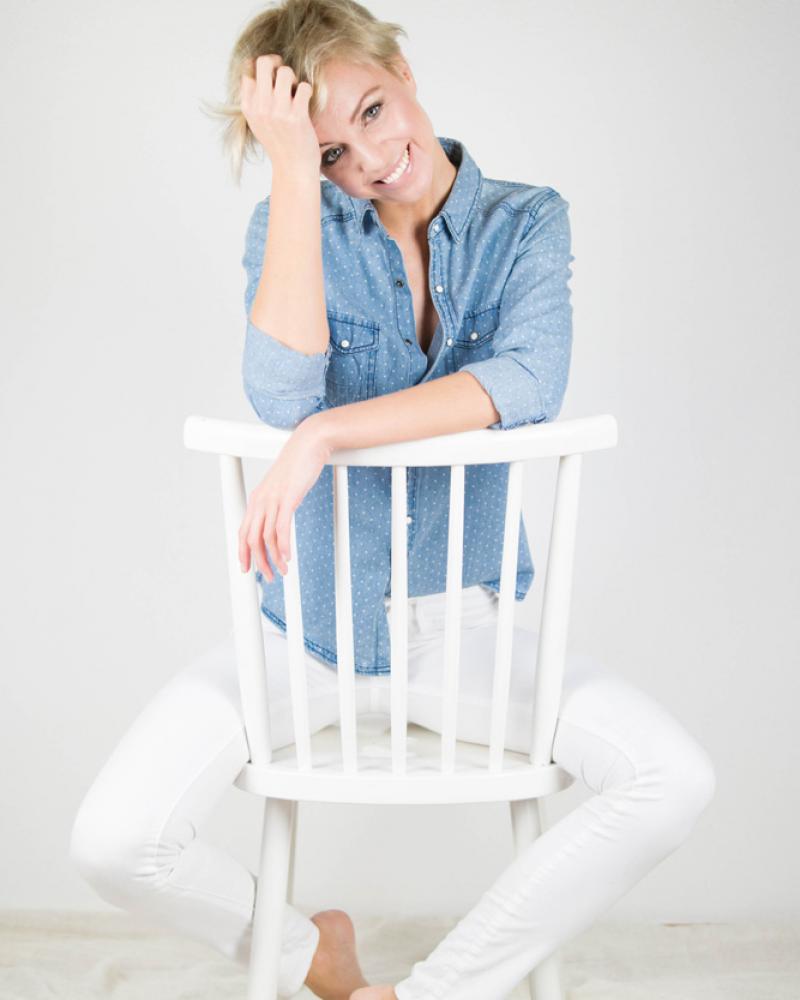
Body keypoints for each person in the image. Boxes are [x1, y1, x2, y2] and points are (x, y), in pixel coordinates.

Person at [69, 1, 717, 998]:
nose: (369, 160)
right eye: (331, 150)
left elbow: (526, 380)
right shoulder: (290, 222)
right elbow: (280, 394)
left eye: (372, 110)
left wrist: (328, 435)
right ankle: (308, 954)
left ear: (402, 69)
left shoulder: (524, 220)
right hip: (304, 635)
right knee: (115, 839)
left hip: (463, 637)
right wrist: (294, 174)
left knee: (673, 778)